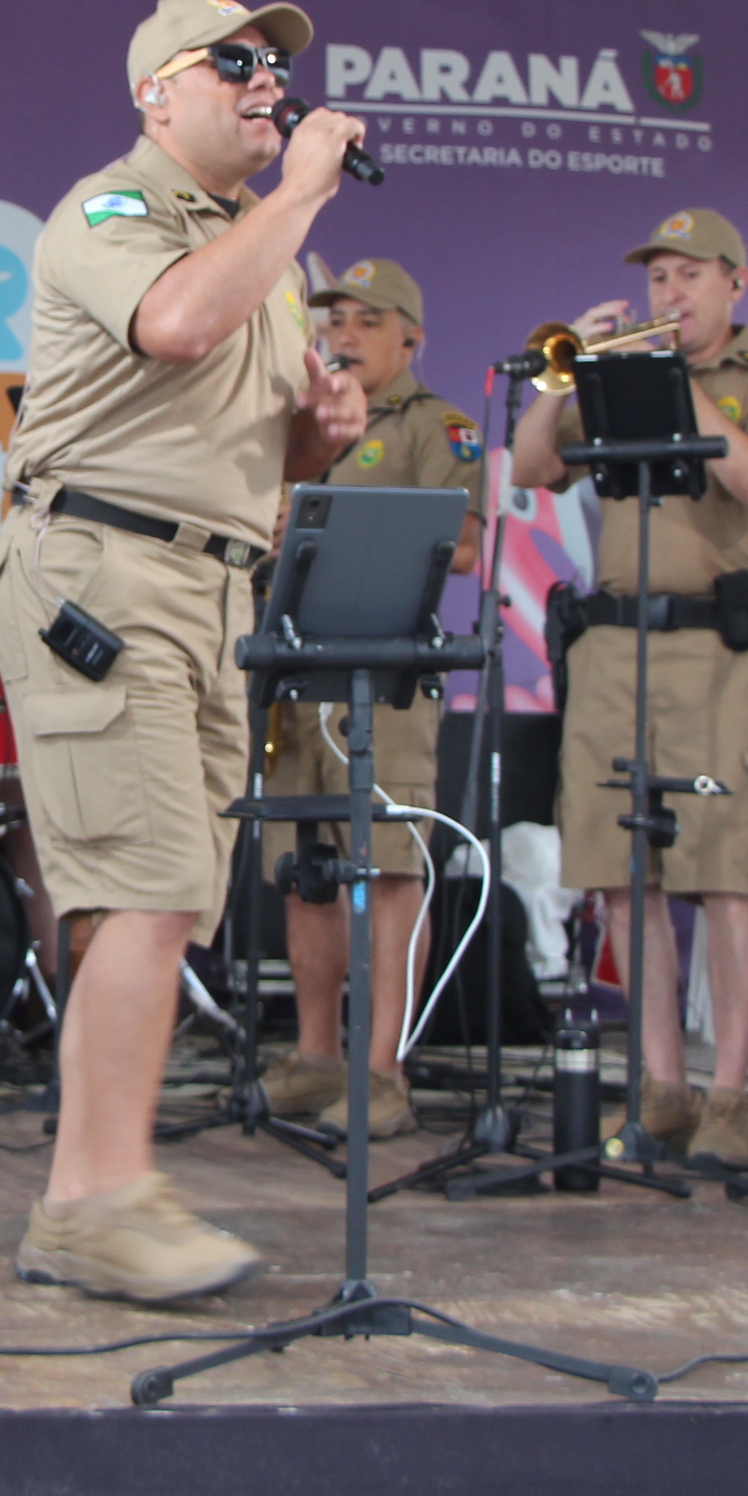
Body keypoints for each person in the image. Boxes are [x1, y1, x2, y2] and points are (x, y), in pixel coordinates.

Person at [0, 0, 367, 1302]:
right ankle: (101, 1202)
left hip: (213, 587)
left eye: (278, 65)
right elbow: (174, 325)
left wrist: (322, 432)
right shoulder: (112, 210)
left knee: (160, 901)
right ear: (156, 93)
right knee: (146, 889)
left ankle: (88, 1198)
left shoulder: (270, 253)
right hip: (103, 572)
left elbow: (259, 443)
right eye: (236, 62)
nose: (269, 81)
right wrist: (304, 188)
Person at [507, 206, 748, 1173]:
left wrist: (682, 388)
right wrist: (565, 379)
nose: (669, 294)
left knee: (724, 872)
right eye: (657, 279)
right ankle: (662, 1087)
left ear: (736, 282)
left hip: (718, 645)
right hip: (613, 645)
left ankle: (731, 1096)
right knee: (621, 871)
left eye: (689, 276)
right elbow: (531, 467)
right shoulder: (618, 378)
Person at [255, 259, 482, 1140]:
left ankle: (383, 1070)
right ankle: (318, 1057)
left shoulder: (437, 426)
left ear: (410, 339)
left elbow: (467, 546)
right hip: (294, 666)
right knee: (303, 869)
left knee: (389, 867)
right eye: (334, 320)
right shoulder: (299, 423)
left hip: (384, 676)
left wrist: (333, 532)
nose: (343, 336)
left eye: (366, 321)